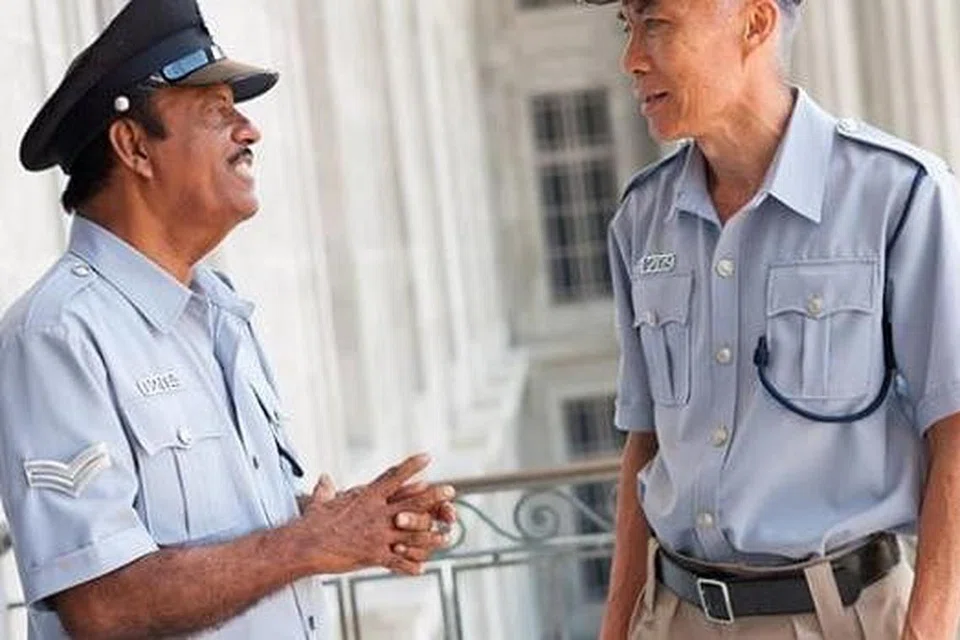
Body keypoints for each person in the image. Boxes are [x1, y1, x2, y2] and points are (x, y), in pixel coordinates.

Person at [0, 0, 456, 638]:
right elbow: (102, 603)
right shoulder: (57, 336)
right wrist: (310, 543)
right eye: (217, 114)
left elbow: (211, 529)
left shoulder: (219, 309)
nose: (249, 131)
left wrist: (353, 523)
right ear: (133, 145)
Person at [584, 0, 960, 638]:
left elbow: (953, 430)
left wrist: (929, 629)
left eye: (655, 24)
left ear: (754, 23)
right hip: (673, 617)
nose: (631, 59)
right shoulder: (640, 218)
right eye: (628, 27)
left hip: (842, 620)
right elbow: (645, 445)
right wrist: (617, 625)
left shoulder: (899, 194)